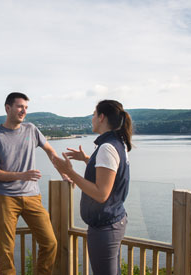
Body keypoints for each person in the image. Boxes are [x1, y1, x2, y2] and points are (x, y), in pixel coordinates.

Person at [0, 92, 63, 275]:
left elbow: (50, 151)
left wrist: (64, 173)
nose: (23, 111)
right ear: (7, 108)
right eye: (20, 106)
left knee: (50, 243)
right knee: (6, 251)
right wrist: (22, 175)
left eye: (26, 107)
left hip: (32, 196)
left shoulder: (31, 129)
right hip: (6, 199)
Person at [52, 99, 132, 275]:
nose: (92, 118)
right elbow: (111, 173)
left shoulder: (107, 148)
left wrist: (69, 172)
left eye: (94, 114)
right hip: (113, 222)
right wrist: (87, 160)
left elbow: (101, 194)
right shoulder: (118, 143)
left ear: (102, 117)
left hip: (105, 227)